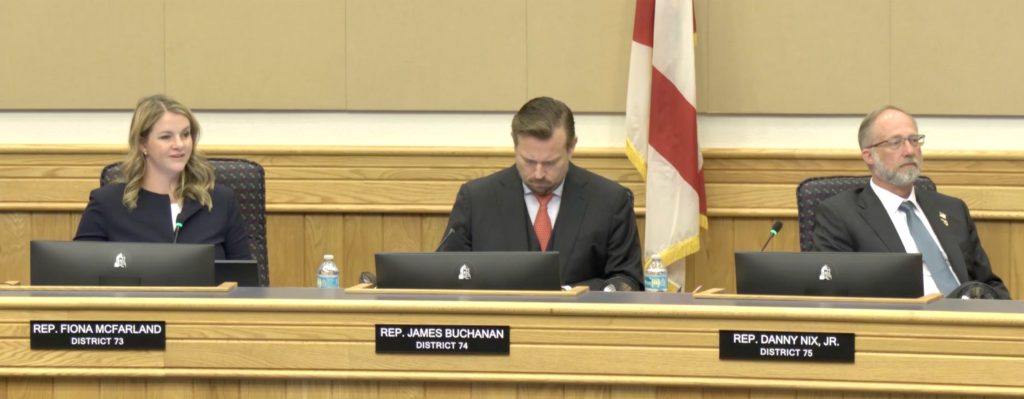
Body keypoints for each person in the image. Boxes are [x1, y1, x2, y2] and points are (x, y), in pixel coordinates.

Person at [440, 96, 643, 290]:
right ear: (514, 143)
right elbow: (445, 275)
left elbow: (627, 281)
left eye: (550, 162)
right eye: (528, 161)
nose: (538, 174)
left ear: (572, 146)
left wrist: (570, 293)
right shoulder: (476, 199)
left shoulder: (610, 201)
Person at [812, 105, 1008, 298]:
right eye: (895, 143)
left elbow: (988, 283)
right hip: (905, 324)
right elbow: (836, 295)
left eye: (914, 140)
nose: (909, 151)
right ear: (869, 156)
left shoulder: (953, 209)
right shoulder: (839, 215)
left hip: (971, 320)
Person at [74, 94, 251, 260]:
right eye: (166, 137)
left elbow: (246, 282)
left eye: (185, 134)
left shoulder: (220, 201)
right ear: (143, 144)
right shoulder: (107, 204)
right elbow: (81, 273)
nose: (179, 144)